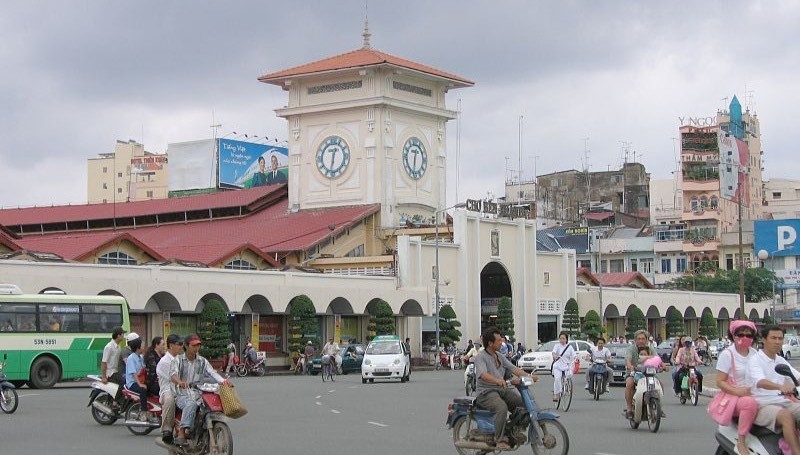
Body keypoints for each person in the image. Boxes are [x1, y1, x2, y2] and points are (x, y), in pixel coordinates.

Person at [474, 327, 537, 450]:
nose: (501, 343)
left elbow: (514, 368)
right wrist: (497, 380)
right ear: (490, 343)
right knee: (501, 408)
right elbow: (482, 374)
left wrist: (529, 376)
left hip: (501, 389)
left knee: (523, 405)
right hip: (486, 392)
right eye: (498, 341)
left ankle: (511, 431)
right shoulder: (481, 357)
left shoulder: (499, 356)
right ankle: (499, 439)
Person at [170, 334, 231, 446]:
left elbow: (212, 373)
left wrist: (223, 382)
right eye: (194, 345)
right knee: (191, 404)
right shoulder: (178, 360)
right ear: (186, 346)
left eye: (198, 345)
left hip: (199, 393)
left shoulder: (202, 361)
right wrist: (180, 382)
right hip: (182, 394)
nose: (196, 348)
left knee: (212, 405)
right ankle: (182, 432)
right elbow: (173, 375)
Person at [748, 325, 800, 455]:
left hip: (782, 402)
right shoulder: (755, 360)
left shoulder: (781, 360)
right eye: (773, 338)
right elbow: (760, 382)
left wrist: (793, 385)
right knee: (786, 416)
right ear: (764, 340)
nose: (777, 341)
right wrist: (780, 386)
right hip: (762, 405)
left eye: (780, 338)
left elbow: (796, 378)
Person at [715, 320, 759, 455]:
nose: (745, 338)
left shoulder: (755, 354)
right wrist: (738, 391)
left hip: (755, 393)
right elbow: (720, 381)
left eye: (749, 335)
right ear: (733, 336)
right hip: (735, 397)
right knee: (749, 403)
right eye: (741, 334)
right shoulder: (727, 354)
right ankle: (741, 441)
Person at [624, 329, 664, 419]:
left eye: (643, 338)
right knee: (630, 383)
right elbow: (628, 360)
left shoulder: (650, 348)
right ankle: (629, 409)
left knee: (660, 383)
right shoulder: (631, 349)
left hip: (649, 373)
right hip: (634, 373)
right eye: (638, 339)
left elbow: (658, 359)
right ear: (635, 340)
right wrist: (630, 366)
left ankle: (659, 408)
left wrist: (663, 366)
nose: (641, 341)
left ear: (646, 340)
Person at [157, 334, 183, 444]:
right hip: (167, 389)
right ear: (171, 345)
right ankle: (167, 430)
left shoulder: (180, 359)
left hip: (181, 389)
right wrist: (180, 382)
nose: (181, 347)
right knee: (169, 399)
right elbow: (173, 378)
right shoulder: (164, 361)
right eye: (179, 344)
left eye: (182, 344)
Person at [124, 336, 155, 423]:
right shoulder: (131, 358)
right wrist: (140, 384)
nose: (144, 347)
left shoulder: (140, 357)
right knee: (142, 390)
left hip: (140, 380)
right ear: (138, 348)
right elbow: (133, 373)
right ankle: (144, 411)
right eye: (142, 346)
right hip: (132, 383)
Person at [551, 331, 575, 402]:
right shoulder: (557, 346)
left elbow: (574, 355)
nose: (562, 340)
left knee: (568, 375)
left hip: (566, 365)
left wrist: (576, 358)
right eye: (560, 338)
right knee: (557, 378)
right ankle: (556, 394)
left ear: (566, 339)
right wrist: (554, 355)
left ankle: (566, 387)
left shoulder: (569, 347)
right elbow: (554, 352)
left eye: (563, 338)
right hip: (558, 365)